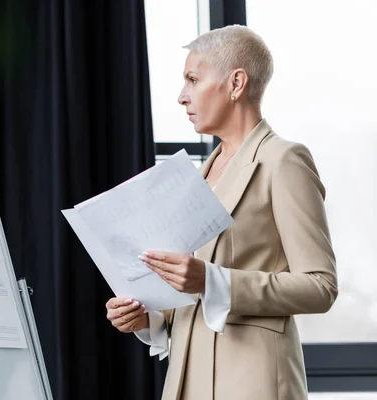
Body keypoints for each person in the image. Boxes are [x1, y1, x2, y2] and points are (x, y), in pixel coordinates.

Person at [105, 25, 338, 400]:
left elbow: (320, 287)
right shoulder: (197, 177)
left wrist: (213, 281)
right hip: (185, 381)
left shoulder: (284, 160)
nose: (182, 97)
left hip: (253, 382)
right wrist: (144, 318)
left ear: (236, 83)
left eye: (193, 79)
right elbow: (188, 292)